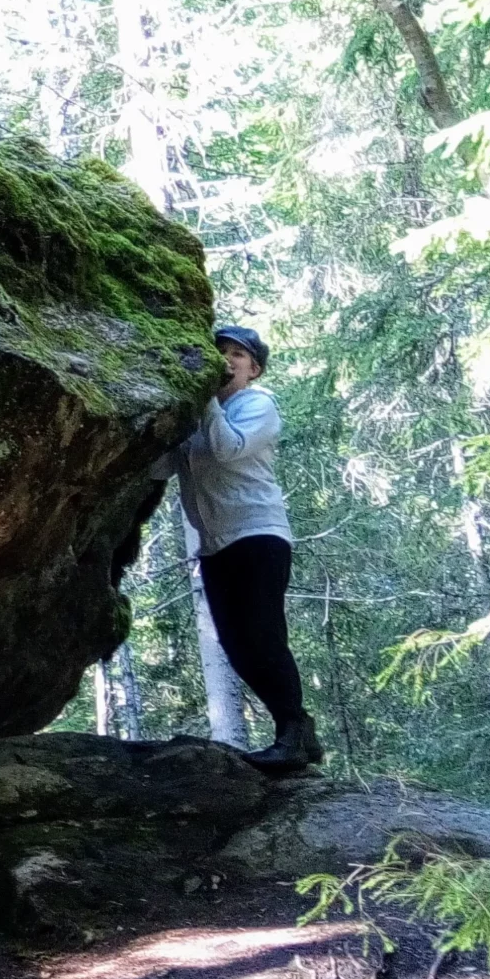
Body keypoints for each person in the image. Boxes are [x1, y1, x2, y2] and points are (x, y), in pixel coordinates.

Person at [154, 325, 322, 775]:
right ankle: (299, 731)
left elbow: (229, 450)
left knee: (263, 634)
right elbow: (159, 468)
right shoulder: (199, 418)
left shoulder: (256, 404)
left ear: (254, 369)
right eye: (219, 353)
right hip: (214, 546)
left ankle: (291, 732)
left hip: (258, 534)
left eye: (236, 355)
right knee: (237, 644)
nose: (225, 361)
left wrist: (205, 398)